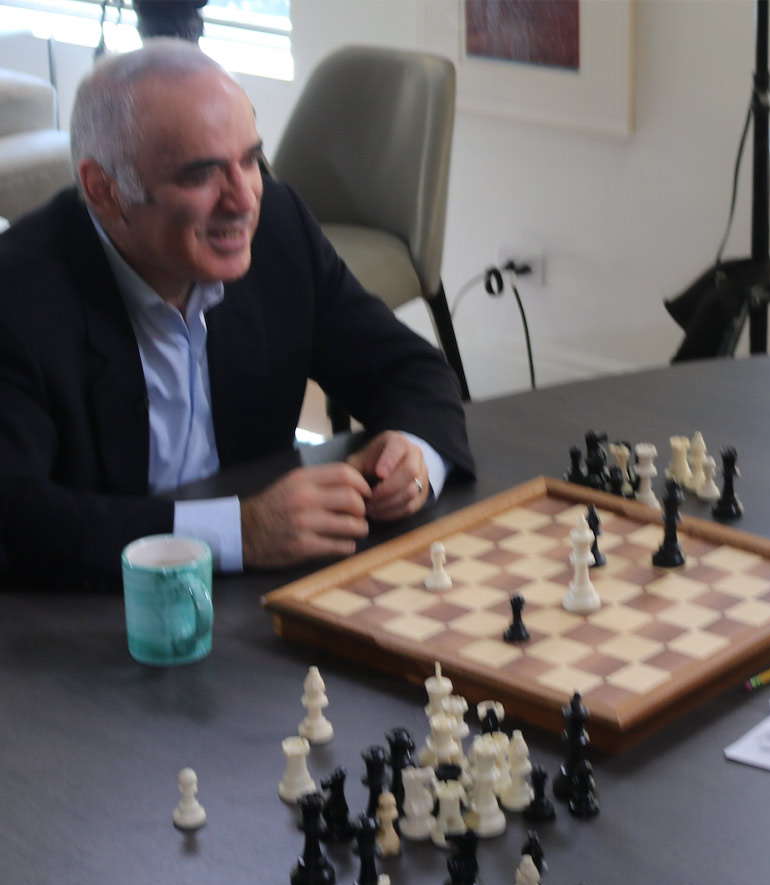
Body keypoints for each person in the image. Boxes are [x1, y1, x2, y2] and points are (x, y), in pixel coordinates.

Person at [0, 41, 473, 590]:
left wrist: (415, 456)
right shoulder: (17, 296)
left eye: (249, 160)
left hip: (260, 600)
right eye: (202, 175)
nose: (244, 199)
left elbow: (410, 368)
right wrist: (236, 532)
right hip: (82, 622)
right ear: (104, 190)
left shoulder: (278, 228)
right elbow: (14, 515)